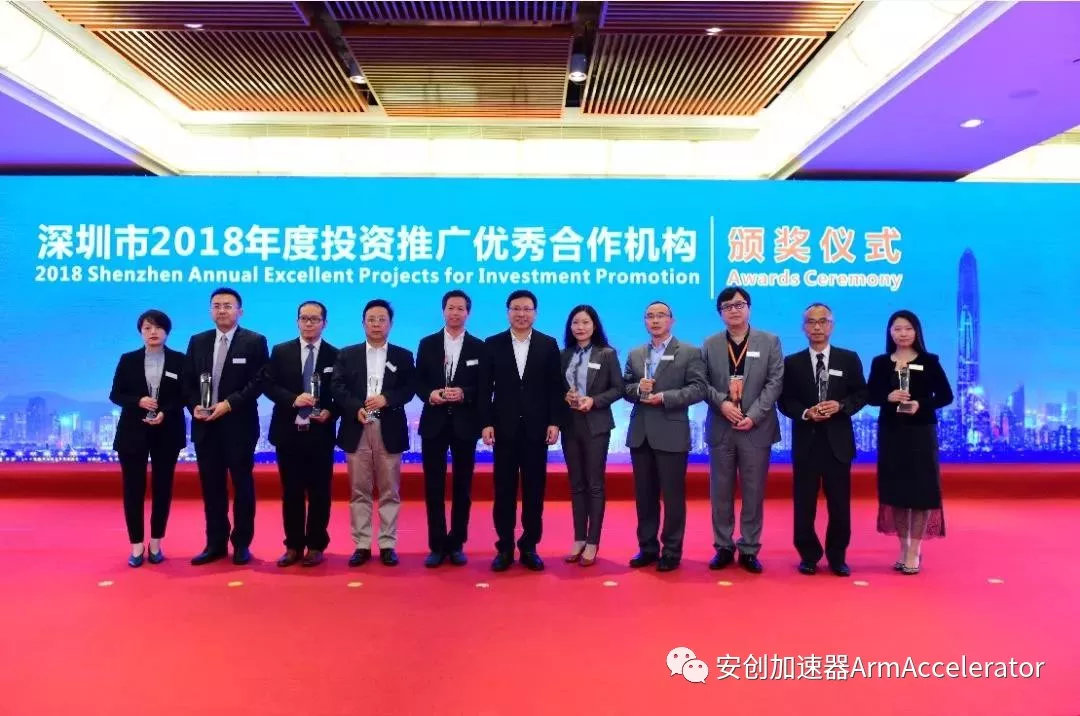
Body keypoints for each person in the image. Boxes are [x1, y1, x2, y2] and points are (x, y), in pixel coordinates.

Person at [778, 303, 867, 577]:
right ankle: (808, 555)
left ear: (832, 325)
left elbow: (861, 394)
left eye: (823, 321)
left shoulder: (848, 359)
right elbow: (785, 400)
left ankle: (837, 556)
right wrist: (806, 413)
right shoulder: (792, 362)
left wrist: (841, 406)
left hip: (838, 444)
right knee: (804, 504)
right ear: (803, 327)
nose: (817, 327)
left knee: (839, 504)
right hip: (807, 442)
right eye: (811, 322)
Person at [183, 287, 269, 566]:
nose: (222, 310)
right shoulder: (198, 341)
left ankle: (241, 544)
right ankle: (215, 543)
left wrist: (229, 404)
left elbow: (259, 381)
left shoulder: (254, 341)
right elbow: (187, 380)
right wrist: (194, 405)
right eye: (217, 305)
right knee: (212, 488)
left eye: (228, 305)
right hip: (205, 426)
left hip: (239, 426)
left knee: (242, 486)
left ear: (239, 311)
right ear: (211, 310)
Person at [481, 289, 565, 572]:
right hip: (503, 429)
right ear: (508, 312)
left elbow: (555, 387)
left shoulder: (547, 344)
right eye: (516, 308)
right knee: (503, 491)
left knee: (534, 491)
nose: (521, 314)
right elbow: (485, 389)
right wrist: (486, 422)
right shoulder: (492, 344)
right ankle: (504, 547)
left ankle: (529, 547)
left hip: (536, 430)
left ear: (535, 313)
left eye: (527, 309)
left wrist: (554, 422)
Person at [701, 286, 783, 574]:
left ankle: (749, 548)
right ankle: (723, 546)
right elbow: (702, 382)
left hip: (755, 428)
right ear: (720, 313)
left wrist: (754, 415)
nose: (733, 310)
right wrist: (723, 404)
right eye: (727, 306)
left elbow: (775, 381)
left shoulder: (769, 341)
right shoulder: (710, 343)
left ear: (748, 308)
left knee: (753, 491)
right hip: (721, 425)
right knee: (720, 492)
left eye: (739, 305)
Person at [867, 309, 953, 575]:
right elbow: (870, 396)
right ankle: (903, 546)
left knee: (921, 491)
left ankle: (915, 549)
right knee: (897, 492)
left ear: (916, 331)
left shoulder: (929, 361)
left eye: (907, 328)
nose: (902, 333)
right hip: (892, 433)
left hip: (920, 432)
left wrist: (920, 403)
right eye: (897, 329)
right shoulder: (881, 362)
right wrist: (888, 396)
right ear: (889, 333)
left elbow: (946, 396)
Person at [623, 300, 706, 572]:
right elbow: (625, 388)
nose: (655, 320)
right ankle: (647, 548)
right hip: (641, 434)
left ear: (672, 320)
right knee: (644, 497)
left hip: (672, 433)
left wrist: (665, 397)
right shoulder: (636, 354)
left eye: (661, 315)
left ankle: (671, 550)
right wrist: (638, 389)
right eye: (650, 316)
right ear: (645, 321)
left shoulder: (690, 352)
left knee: (672, 497)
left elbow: (698, 388)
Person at [332, 299, 415, 568]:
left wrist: (387, 399)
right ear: (363, 323)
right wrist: (355, 407)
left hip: (388, 427)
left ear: (390, 324)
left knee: (390, 490)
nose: (376, 324)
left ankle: (388, 543)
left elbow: (409, 389)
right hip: (357, 426)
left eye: (382, 319)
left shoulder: (403, 356)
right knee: (359, 489)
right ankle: (362, 544)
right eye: (371, 319)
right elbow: (337, 387)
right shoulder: (347, 354)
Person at [262, 301, 339, 568]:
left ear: (324, 323)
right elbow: (268, 385)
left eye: (314, 319)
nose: (308, 323)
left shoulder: (335, 355)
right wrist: (293, 399)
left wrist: (331, 412)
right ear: (297, 321)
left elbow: (342, 392)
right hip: (288, 432)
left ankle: (316, 545)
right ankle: (293, 545)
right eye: (304, 318)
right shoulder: (281, 351)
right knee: (291, 492)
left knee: (320, 493)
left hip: (320, 433)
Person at [109, 309, 187, 567]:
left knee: (163, 488)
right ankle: (136, 545)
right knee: (133, 489)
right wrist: (138, 401)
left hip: (167, 432)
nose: (153, 332)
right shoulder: (128, 359)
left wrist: (165, 411)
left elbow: (185, 395)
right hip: (133, 432)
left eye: (158, 327)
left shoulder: (179, 360)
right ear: (140, 332)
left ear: (167, 331)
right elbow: (116, 394)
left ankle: (155, 543)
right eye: (147, 328)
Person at [415, 290, 487, 568]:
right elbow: (418, 381)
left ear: (468, 313)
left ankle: (456, 543)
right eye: (450, 308)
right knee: (433, 487)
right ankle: (436, 545)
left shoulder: (479, 347)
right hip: (434, 422)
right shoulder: (427, 343)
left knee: (462, 487)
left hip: (464, 424)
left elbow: (484, 386)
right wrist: (430, 394)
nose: (455, 313)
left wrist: (465, 393)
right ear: (443, 310)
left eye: (460, 309)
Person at [559, 305, 624, 567]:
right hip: (570, 425)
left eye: (585, 322)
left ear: (594, 325)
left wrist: (594, 401)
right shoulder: (564, 354)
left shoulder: (606, 354)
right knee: (576, 484)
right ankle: (578, 538)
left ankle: (593, 541)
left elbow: (618, 389)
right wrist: (565, 396)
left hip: (596, 424)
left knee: (594, 484)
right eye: (576, 322)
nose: (580, 327)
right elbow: (557, 387)